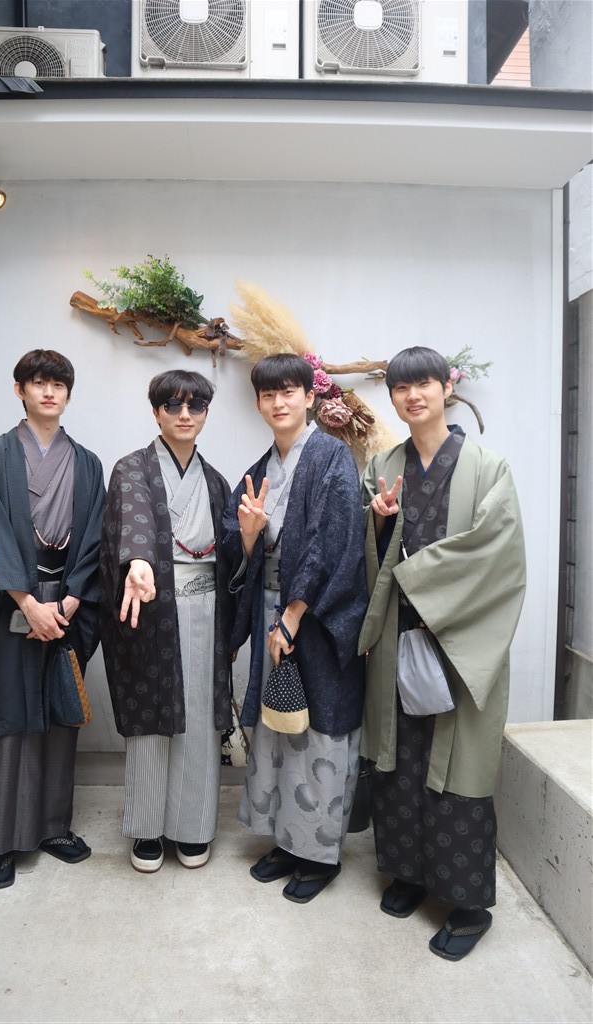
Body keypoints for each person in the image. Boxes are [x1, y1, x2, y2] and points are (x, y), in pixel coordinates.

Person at [359, 345, 526, 960]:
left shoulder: (487, 466)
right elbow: (365, 547)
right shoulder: (383, 463)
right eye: (401, 387)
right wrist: (379, 521)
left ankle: (467, 905)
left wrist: (419, 579)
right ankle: (409, 873)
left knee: (456, 766)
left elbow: (498, 553)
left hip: (458, 639)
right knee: (400, 756)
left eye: (423, 383)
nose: (412, 396)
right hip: (398, 635)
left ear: (446, 387)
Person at [0, 350, 105, 889]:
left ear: (68, 394)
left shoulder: (87, 463)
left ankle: (52, 827)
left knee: (59, 714)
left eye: (58, 384)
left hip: (66, 605)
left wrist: (73, 600)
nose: (49, 392)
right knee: (9, 716)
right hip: (10, 601)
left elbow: (96, 539)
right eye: (38, 383)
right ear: (20, 390)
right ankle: (0, 842)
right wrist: (27, 602)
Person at [222, 353, 367, 903]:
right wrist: (250, 535)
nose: (278, 403)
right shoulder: (259, 470)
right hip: (269, 610)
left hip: (317, 616)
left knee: (319, 728)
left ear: (310, 397)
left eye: (289, 392)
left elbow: (336, 540)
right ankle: (286, 839)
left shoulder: (332, 457)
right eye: (268, 395)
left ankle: (318, 853)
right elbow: (238, 545)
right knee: (278, 723)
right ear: (259, 404)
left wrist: (293, 615)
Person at [100, 370, 234, 872]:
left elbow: (231, 556)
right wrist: (137, 563)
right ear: (156, 412)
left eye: (195, 406)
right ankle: (146, 829)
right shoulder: (131, 470)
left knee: (199, 717)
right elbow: (133, 519)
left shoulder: (216, 482)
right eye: (173, 405)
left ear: (205, 414)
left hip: (206, 613)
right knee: (152, 720)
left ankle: (193, 827)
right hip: (151, 608)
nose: (184, 415)